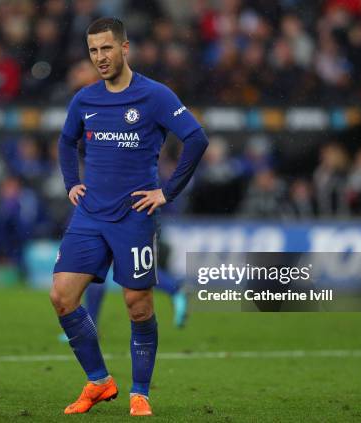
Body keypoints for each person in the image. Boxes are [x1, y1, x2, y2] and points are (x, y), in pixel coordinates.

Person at [50, 18, 208, 416]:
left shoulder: (154, 96)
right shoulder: (84, 99)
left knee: (138, 306)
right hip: (89, 215)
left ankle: (140, 392)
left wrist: (166, 192)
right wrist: (72, 181)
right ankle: (100, 382)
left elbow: (195, 138)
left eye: (106, 49)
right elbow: (66, 141)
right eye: (93, 51)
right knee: (62, 297)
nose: (100, 58)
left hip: (133, 217)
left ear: (124, 48)